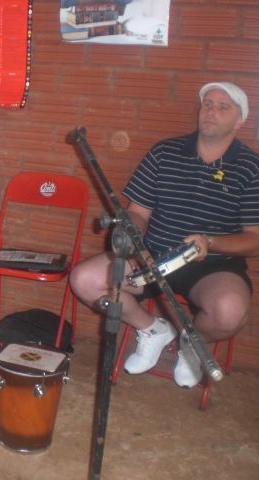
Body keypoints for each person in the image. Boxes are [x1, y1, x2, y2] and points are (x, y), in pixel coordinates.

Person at [70, 82, 258, 388]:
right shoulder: (164, 152)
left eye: (223, 107)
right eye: (207, 104)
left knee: (229, 312)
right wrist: (131, 236)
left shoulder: (251, 168)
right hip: (152, 255)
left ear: (239, 121)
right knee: (84, 280)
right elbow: (138, 212)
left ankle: (189, 343)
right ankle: (152, 329)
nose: (211, 112)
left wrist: (211, 242)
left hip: (212, 265)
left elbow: (254, 238)